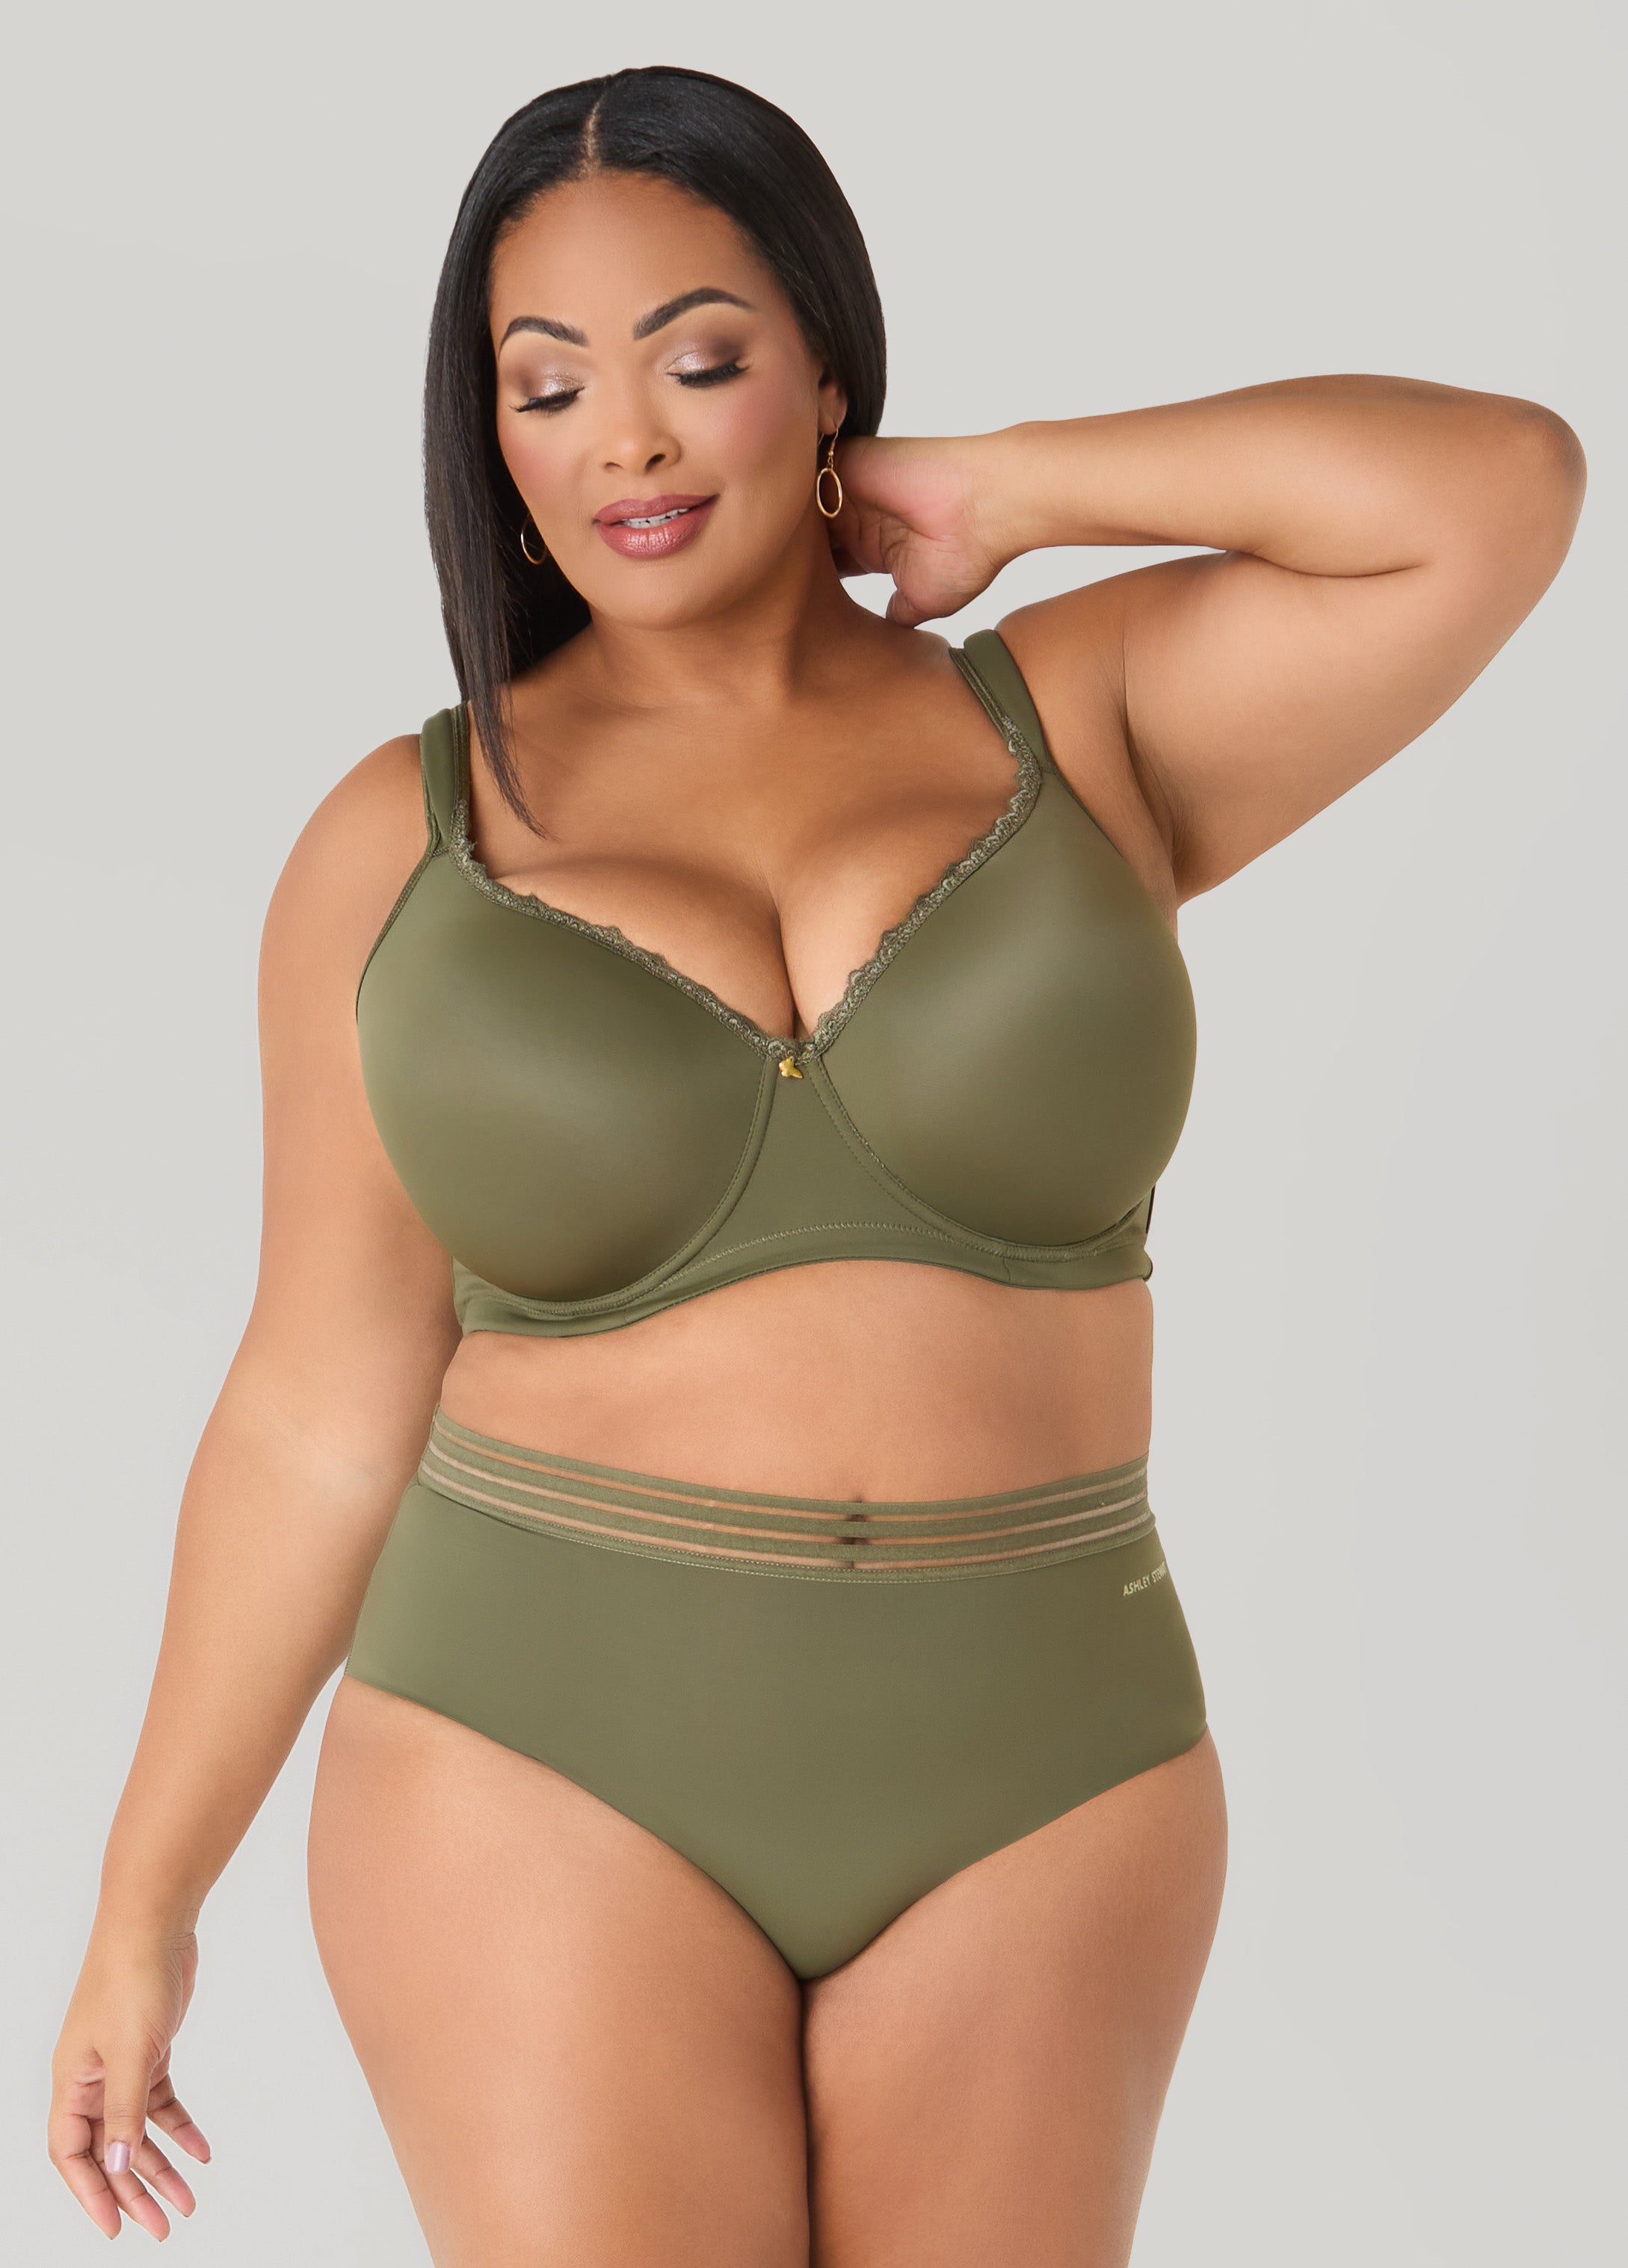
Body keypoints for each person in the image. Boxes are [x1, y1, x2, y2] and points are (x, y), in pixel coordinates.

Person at [48, 63, 1584, 2266]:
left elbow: (1494, 489)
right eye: (547, 385)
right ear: (489, 436)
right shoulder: (404, 845)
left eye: (699, 359)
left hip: (1046, 1766)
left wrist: (1010, 488)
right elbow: (314, 1402)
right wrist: (145, 1896)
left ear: (826, 368)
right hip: (540, 1755)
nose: (628, 441)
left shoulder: (1083, 727)